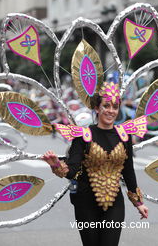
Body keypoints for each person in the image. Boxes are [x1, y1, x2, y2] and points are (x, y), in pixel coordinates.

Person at [41, 82, 149, 246]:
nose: (111, 111)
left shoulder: (124, 136)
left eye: (115, 106)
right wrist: (56, 164)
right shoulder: (83, 136)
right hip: (86, 204)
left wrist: (139, 203)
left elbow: (128, 172)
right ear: (97, 109)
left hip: (115, 203)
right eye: (106, 106)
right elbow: (72, 171)